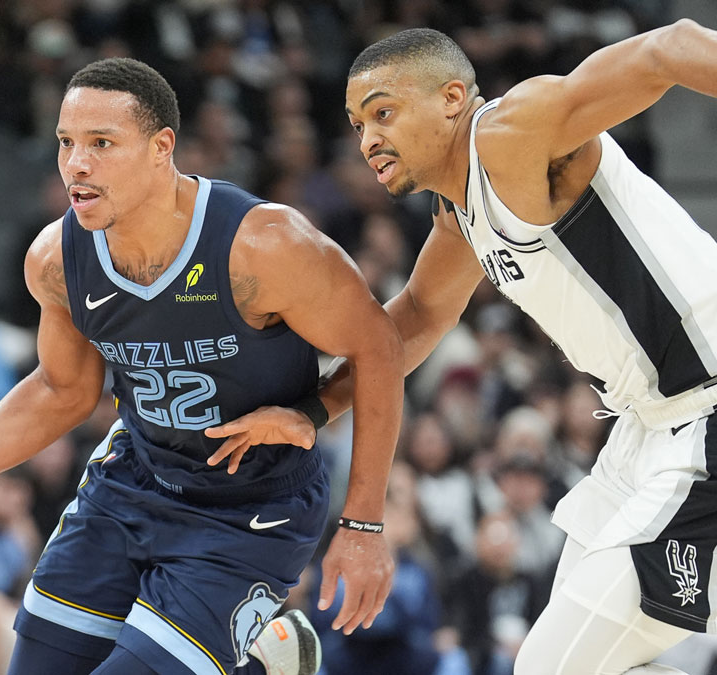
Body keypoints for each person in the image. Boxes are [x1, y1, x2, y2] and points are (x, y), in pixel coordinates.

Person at [212, 22, 717, 675]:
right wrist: (311, 411)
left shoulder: (514, 133)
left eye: (383, 113)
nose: (367, 139)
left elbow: (668, 47)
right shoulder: (460, 215)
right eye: (357, 124)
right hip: (645, 430)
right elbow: (413, 321)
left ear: (452, 98)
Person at [0, 57, 404, 675]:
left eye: (101, 143)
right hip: (132, 484)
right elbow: (60, 393)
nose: (76, 164)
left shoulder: (265, 246)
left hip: (246, 511)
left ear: (160, 147)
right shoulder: (57, 260)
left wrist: (363, 523)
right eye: (66, 143)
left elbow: (379, 347)